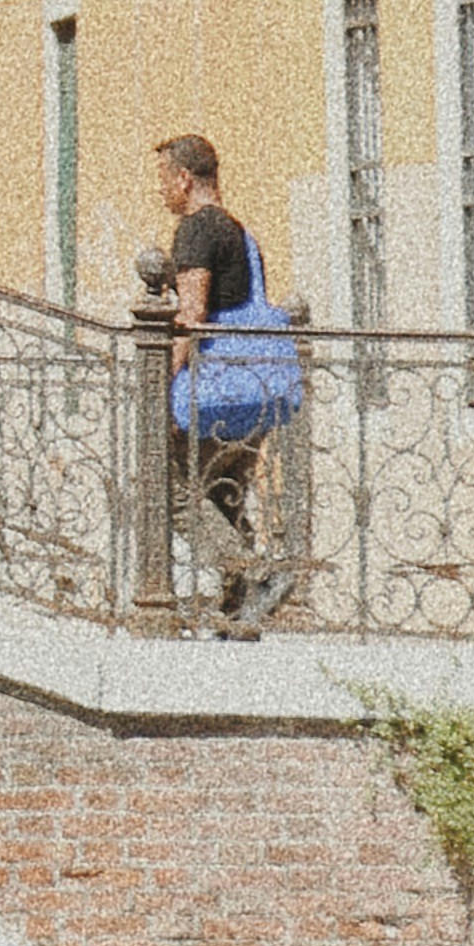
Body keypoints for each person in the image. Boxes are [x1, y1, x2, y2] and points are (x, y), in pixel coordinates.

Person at [140, 134, 275, 621]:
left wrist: (162, 385)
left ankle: (253, 572)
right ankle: (238, 614)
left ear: (184, 178)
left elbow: (192, 315)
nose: (160, 192)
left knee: (171, 491)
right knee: (224, 495)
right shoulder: (242, 235)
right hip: (253, 389)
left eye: (162, 180)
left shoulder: (196, 230)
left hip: (214, 392)